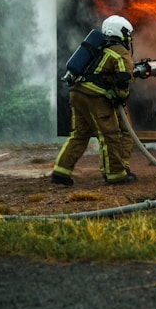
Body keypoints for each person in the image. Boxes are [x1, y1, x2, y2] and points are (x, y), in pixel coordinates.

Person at [51, 15, 136, 187]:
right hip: (94, 97)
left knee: (79, 135)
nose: (129, 38)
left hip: (77, 93)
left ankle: (60, 172)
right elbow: (123, 78)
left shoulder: (98, 48)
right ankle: (115, 175)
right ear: (122, 32)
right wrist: (121, 95)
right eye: (128, 34)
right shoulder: (120, 52)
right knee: (110, 134)